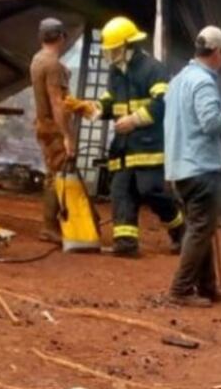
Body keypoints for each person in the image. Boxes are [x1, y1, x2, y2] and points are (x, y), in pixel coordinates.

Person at [72, 16, 183, 257]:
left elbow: (163, 103)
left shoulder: (153, 69)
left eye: (113, 49)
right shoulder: (116, 71)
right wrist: (96, 109)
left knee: (150, 191)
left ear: (127, 45)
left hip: (148, 147)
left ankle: (181, 230)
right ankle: (126, 244)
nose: (110, 54)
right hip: (122, 148)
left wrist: (134, 120)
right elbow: (111, 98)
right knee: (121, 193)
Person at [164, 26, 221, 307]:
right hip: (200, 166)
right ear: (216, 52)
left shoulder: (178, 81)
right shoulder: (203, 81)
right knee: (201, 228)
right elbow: (210, 122)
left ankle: (207, 286)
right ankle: (180, 290)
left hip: (180, 166)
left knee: (202, 227)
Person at [29, 17, 75, 244]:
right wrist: (67, 136)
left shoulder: (38, 59)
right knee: (56, 176)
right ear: (62, 37)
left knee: (53, 173)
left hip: (42, 124)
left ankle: (53, 224)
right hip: (53, 127)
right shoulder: (53, 64)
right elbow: (57, 102)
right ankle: (49, 226)